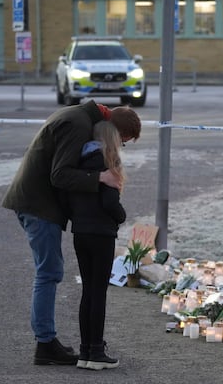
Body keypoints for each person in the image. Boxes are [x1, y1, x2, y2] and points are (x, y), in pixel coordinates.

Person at [1, 100, 141, 365]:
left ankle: (53, 343)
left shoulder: (79, 117)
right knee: (49, 272)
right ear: (112, 130)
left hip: (37, 203)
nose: (119, 147)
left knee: (53, 272)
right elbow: (60, 174)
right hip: (37, 204)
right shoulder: (78, 124)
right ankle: (45, 344)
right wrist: (101, 178)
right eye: (122, 141)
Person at [67, 121, 126, 370]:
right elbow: (110, 202)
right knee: (99, 293)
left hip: (80, 233)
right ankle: (96, 353)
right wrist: (121, 217)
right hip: (101, 234)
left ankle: (84, 351)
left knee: (88, 292)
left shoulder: (80, 164)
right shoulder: (107, 165)